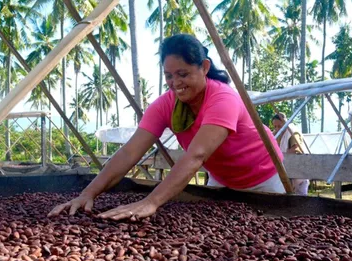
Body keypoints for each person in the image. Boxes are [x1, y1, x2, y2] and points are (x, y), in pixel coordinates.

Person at [48, 34, 285, 221]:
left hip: (263, 176)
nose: (175, 83)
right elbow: (130, 152)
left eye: (183, 74)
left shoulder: (224, 99)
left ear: (204, 67)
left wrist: (151, 202)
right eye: (169, 76)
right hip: (221, 178)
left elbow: (197, 155)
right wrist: (88, 194)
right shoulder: (164, 106)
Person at [271, 113, 310, 195]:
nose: (277, 128)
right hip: (285, 170)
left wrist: (280, 155)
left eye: (279, 126)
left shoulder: (292, 132)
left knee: (300, 198)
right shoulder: (275, 134)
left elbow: (295, 149)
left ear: (284, 123)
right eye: (275, 126)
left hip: (298, 170)